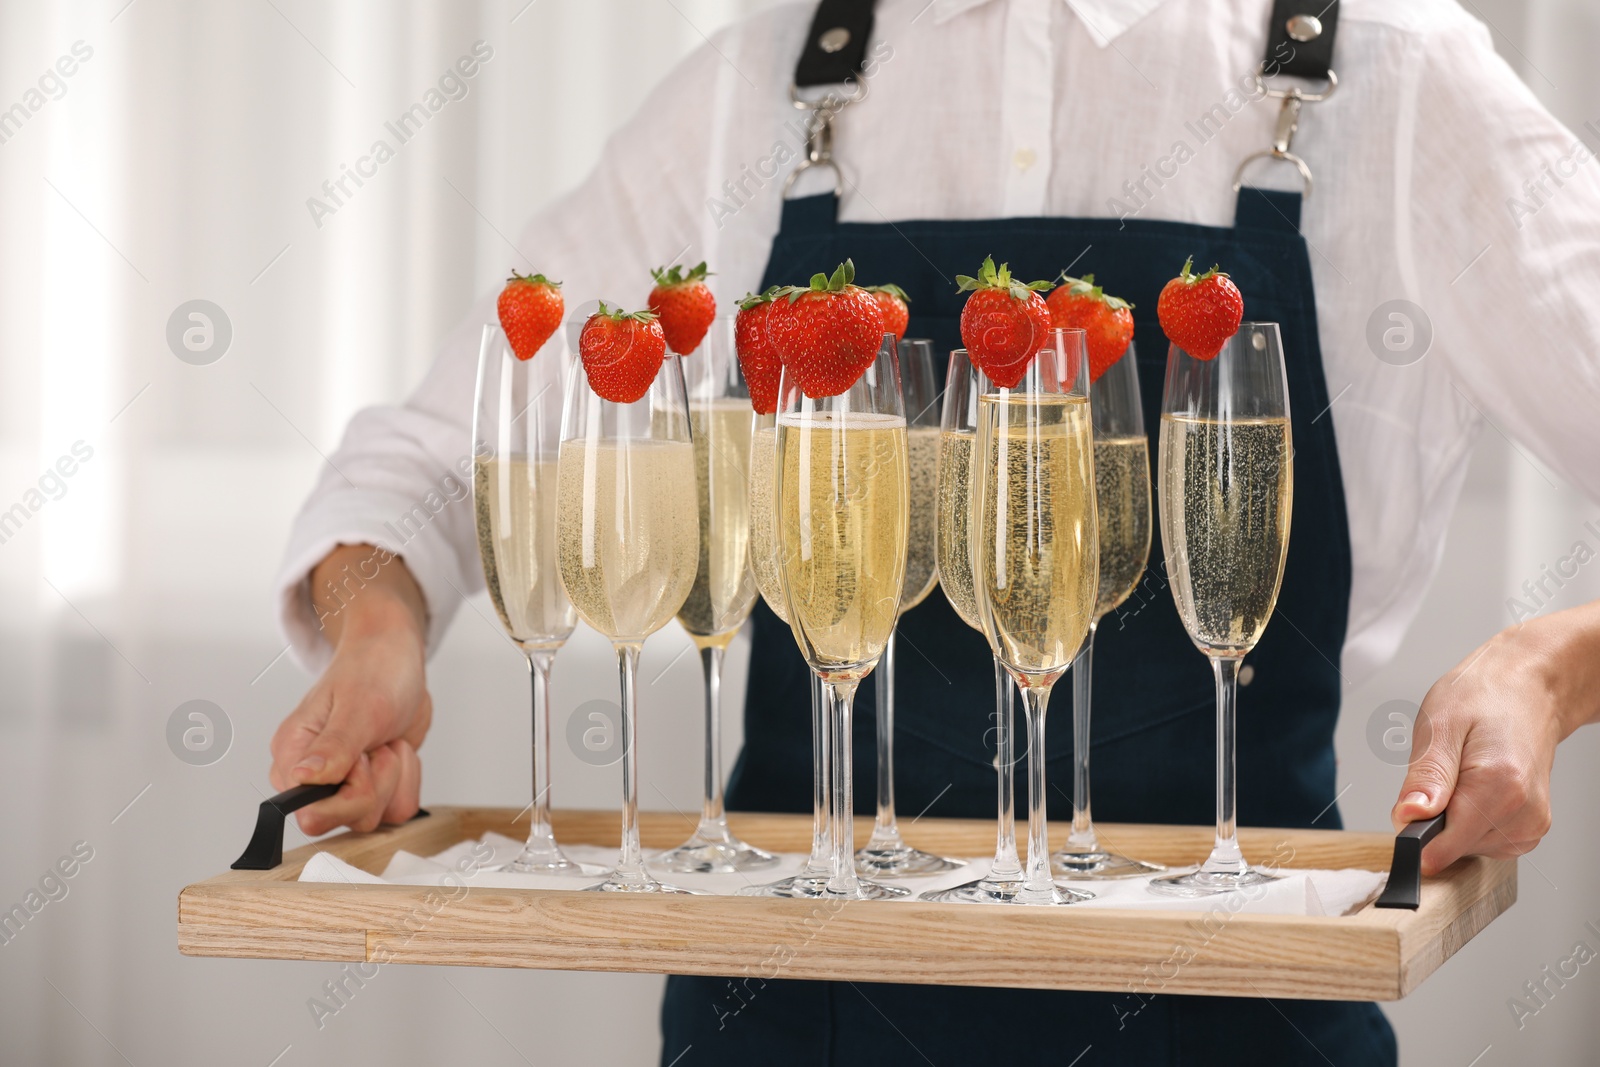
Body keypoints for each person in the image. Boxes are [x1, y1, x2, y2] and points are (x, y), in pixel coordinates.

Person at [267, 0, 1600, 1062]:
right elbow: (438, 454)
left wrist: (1547, 665)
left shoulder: (1401, 77)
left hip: (1238, 1000)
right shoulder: (756, 86)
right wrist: (375, 627)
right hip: (789, 1014)